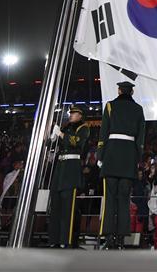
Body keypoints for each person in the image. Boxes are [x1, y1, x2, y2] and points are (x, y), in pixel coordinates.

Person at [97, 80, 146, 250]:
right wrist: (137, 158)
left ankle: (108, 238)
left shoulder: (110, 106)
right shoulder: (138, 109)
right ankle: (121, 239)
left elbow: (103, 132)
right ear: (131, 92)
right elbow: (140, 137)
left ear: (119, 91)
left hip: (111, 156)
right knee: (124, 200)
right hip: (128, 158)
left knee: (110, 199)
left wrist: (100, 155)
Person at [47, 105, 90, 248]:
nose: (71, 115)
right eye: (71, 113)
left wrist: (60, 134)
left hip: (71, 168)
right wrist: (53, 135)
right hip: (60, 167)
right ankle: (54, 239)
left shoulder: (84, 128)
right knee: (56, 205)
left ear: (80, 115)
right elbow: (54, 143)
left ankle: (65, 240)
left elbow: (77, 142)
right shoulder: (66, 127)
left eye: (74, 113)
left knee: (67, 208)